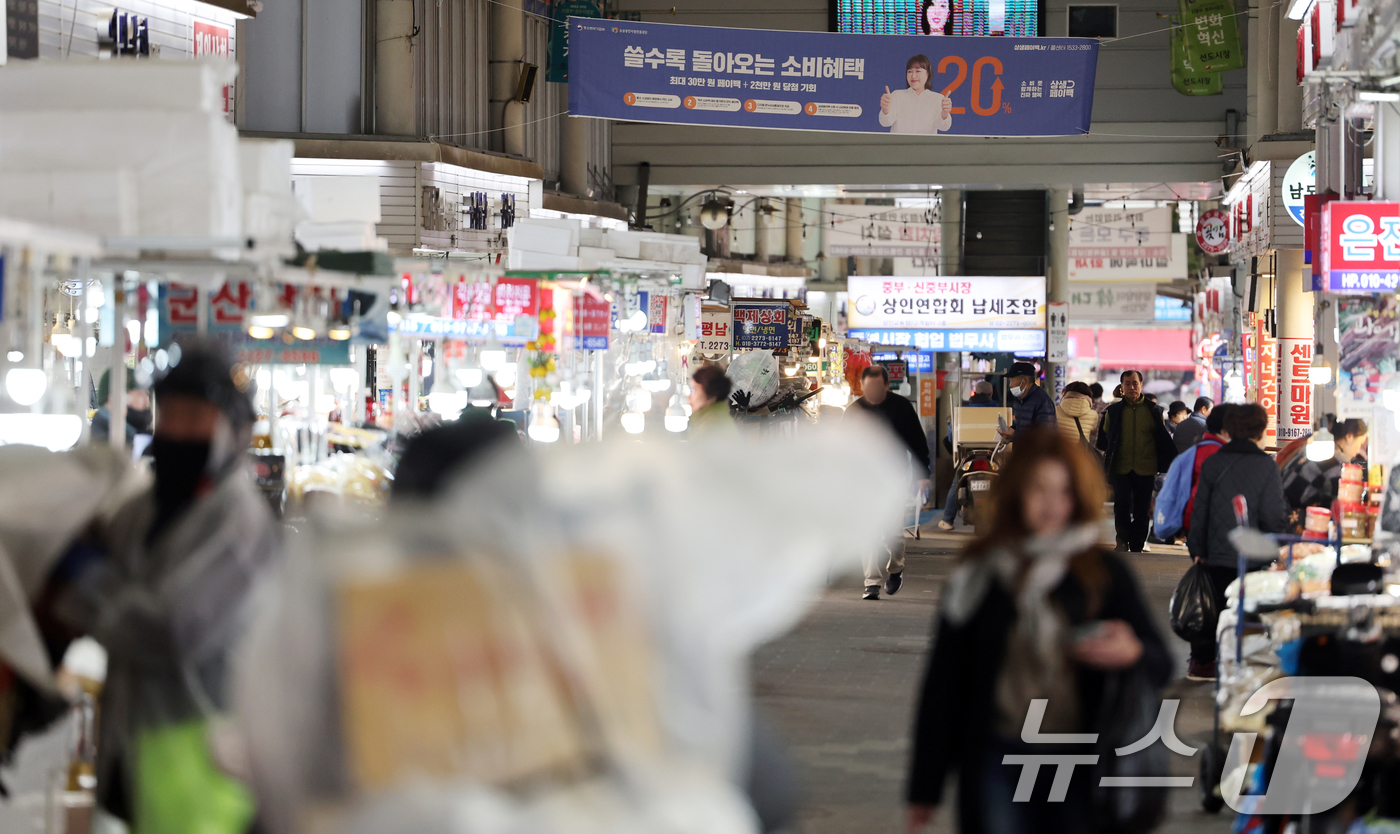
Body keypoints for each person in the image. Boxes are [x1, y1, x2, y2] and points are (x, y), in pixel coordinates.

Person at [905, 427, 1171, 834]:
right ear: (1015, 492)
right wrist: (925, 786)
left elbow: (1161, 663)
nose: (1052, 505)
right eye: (1039, 489)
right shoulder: (981, 574)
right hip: (998, 755)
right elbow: (944, 682)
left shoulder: (1102, 573)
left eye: (1064, 492)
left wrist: (1132, 652)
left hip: (1081, 760)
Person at [75, 339, 279, 823]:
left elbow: (170, 629)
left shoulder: (237, 520)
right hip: (131, 742)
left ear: (235, 431)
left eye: (196, 418)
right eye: (170, 414)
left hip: (200, 759)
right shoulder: (148, 506)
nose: (178, 430)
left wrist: (84, 579)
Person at [1185, 404, 1287, 680]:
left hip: (1215, 554)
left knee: (1212, 607)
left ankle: (1203, 662)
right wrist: (1279, 545)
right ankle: (1243, 664)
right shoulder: (1266, 465)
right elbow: (1273, 516)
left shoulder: (1213, 462)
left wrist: (1197, 550)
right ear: (1260, 431)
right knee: (1247, 611)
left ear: (1229, 430)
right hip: (1253, 557)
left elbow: (1200, 511)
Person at [847, 365, 930, 599]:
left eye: (877, 387)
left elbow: (917, 441)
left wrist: (923, 474)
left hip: (894, 477)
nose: (872, 392)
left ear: (886, 386)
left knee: (892, 533)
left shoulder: (901, 407)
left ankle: (896, 568)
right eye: (868, 388)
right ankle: (871, 582)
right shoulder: (854, 411)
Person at [1095, 370, 1177, 553]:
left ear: (1141, 385)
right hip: (1120, 466)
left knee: (1142, 508)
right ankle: (1122, 541)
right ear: (1122, 387)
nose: (1132, 387)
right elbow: (1106, 436)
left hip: (1146, 466)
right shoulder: (1113, 411)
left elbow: (1161, 438)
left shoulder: (1154, 410)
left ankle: (1138, 543)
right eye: (1127, 384)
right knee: (1121, 506)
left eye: (1135, 383)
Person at [1280, 418, 1369, 534]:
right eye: (1360, 443)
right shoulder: (1339, 461)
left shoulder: (1310, 447)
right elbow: (1341, 504)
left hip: (1280, 513)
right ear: (1349, 437)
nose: (1358, 451)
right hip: (1297, 523)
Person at [936, 380, 998, 532]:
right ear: (991, 394)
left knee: (957, 482)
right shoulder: (999, 411)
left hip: (969, 454)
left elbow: (951, 437)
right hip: (993, 454)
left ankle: (947, 520)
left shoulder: (962, 412)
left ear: (974, 393)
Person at [879, 55, 952, 135]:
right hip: (900, 143)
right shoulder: (897, 95)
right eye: (910, 71)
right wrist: (885, 110)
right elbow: (885, 123)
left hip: (926, 143)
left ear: (928, 74)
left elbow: (944, 127)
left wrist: (944, 113)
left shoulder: (937, 98)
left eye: (918, 71)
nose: (913, 76)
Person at [89, 369, 152, 445]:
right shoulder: (105, 445)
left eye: (146, 395)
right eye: (139, 395)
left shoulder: (132, 438)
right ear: (114, 400)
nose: (147, 403)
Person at [997, 362, 1056, 442]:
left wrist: (1015, 435)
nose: (1010, 385)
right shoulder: (1019, 399)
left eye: (1012, 380)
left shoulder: (1041, 400)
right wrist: (1010, 431)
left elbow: (1046, 433)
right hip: (1023, 447)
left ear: (1025, 380)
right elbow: (1021, 424)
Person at [688, 364, 737, 435]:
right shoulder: (712, 420)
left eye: (694, 390)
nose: (689, 396)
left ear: (711, 393)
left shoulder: (712, 427)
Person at [1055, 381, 1099, 451]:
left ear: (1066, 393)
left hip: (1059, 452)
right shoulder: (1093, 415)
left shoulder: (1055, 410)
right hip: (1080, 454)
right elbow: (1093, 433)